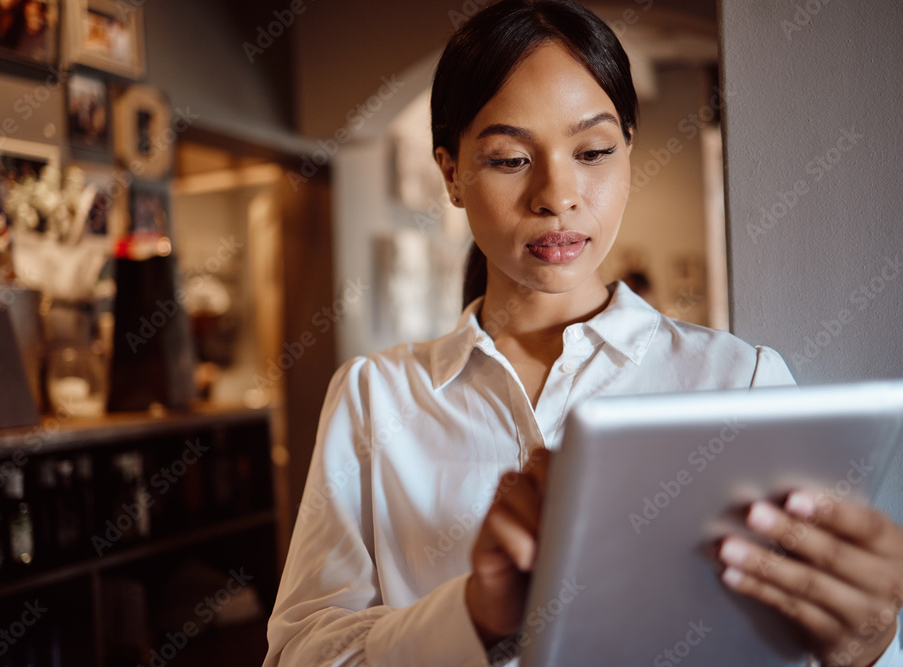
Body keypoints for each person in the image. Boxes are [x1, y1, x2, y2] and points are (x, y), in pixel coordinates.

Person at [264, 1, 903, 665]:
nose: (558, 194)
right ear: (451, 173)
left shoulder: (739, 382)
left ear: (630, 150)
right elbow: (299, 653)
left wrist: (867, 646)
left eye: (593, 151)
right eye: (510, 159)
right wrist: (474, 617)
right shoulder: (375, 397)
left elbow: (789, 635)